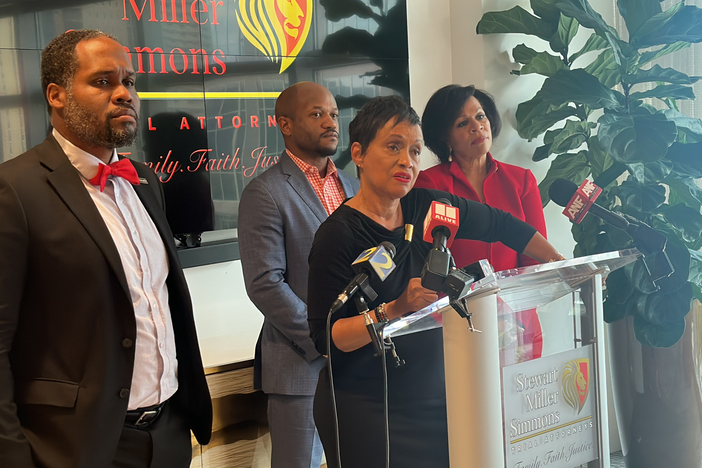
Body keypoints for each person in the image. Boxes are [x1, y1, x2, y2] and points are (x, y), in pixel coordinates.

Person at [306, 95, 563, 468]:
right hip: (367, 407)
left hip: (434, 397)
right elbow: (328, 339)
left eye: (414, 151)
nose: (406, 162)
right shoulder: (337, 235)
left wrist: (556, 261)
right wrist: (393, 310)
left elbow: (501, 223)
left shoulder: (425, 206)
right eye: (393, 147)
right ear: (358, 153)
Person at [0, 30, 212, 468]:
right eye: (102, 82)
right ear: (56, 95)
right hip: (75, 446)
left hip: (170, 434)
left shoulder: (145, 180)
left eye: (129, 82)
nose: (124, 94)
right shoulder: (14, 191)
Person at [238, 82, 359, 468]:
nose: (330, 122)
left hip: (362, 362)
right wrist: (325, 339)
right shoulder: (266, 192)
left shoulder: (355, 186)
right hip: (302, 366)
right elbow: (265, 284)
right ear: (285, 124)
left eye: (335, 114)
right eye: (317, 114)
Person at [415, 84, 555, 362]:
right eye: (462, 123)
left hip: (519, 327)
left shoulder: (521, 180)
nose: (477, 127)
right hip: (460, 325)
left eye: (480, 117)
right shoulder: (429, 184)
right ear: (445, 137)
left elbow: (533, 261)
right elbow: (427, 265)